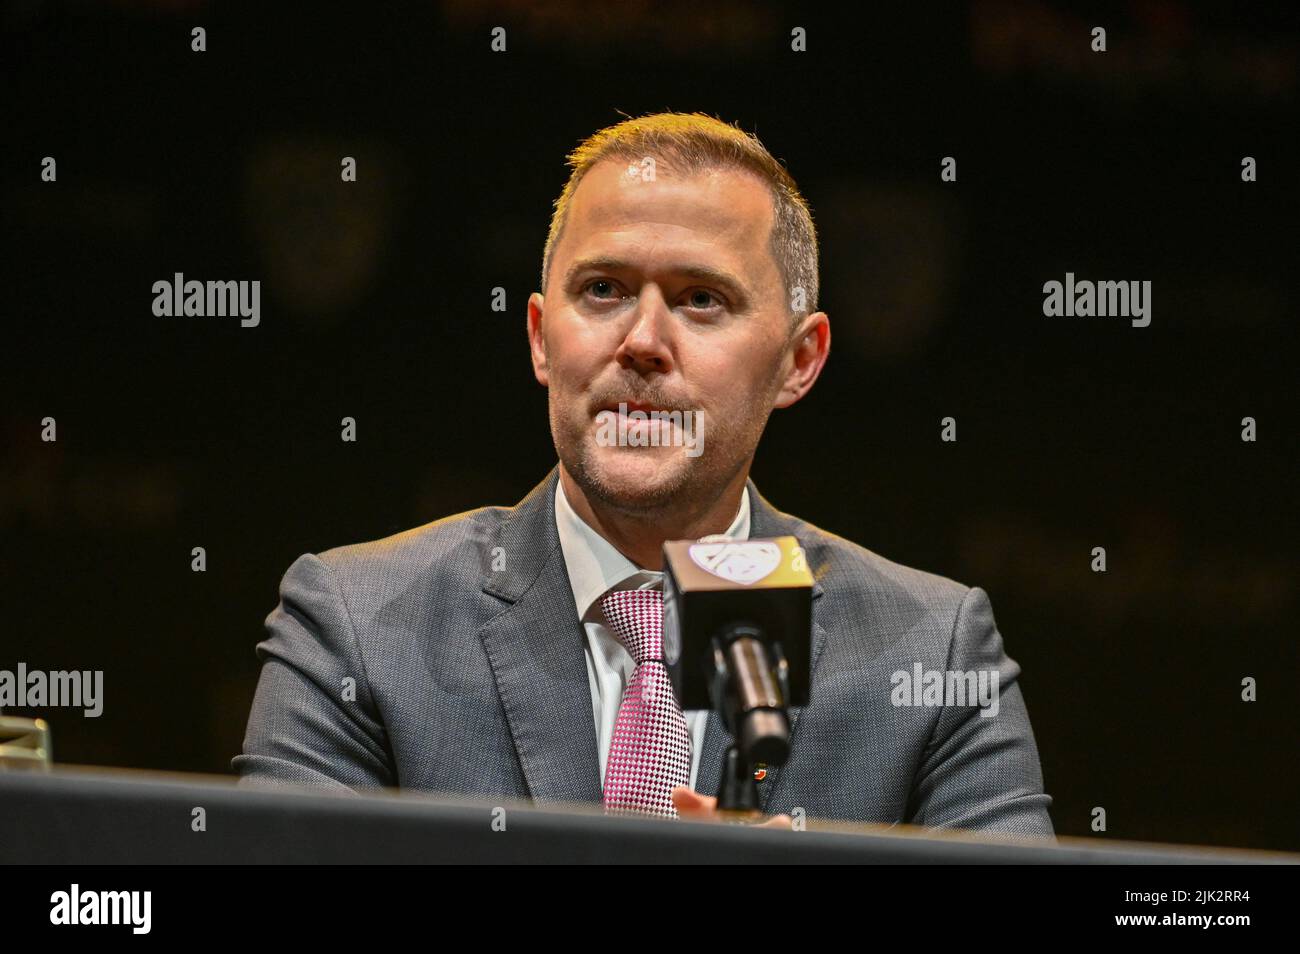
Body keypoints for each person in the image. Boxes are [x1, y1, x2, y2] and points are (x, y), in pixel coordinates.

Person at [233, 112, 1053, 837]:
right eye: (602, 289)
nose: (643, 340)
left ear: (800, 360)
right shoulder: (357, 625)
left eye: (701, 299)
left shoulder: (934, 657)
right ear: (541, 338)